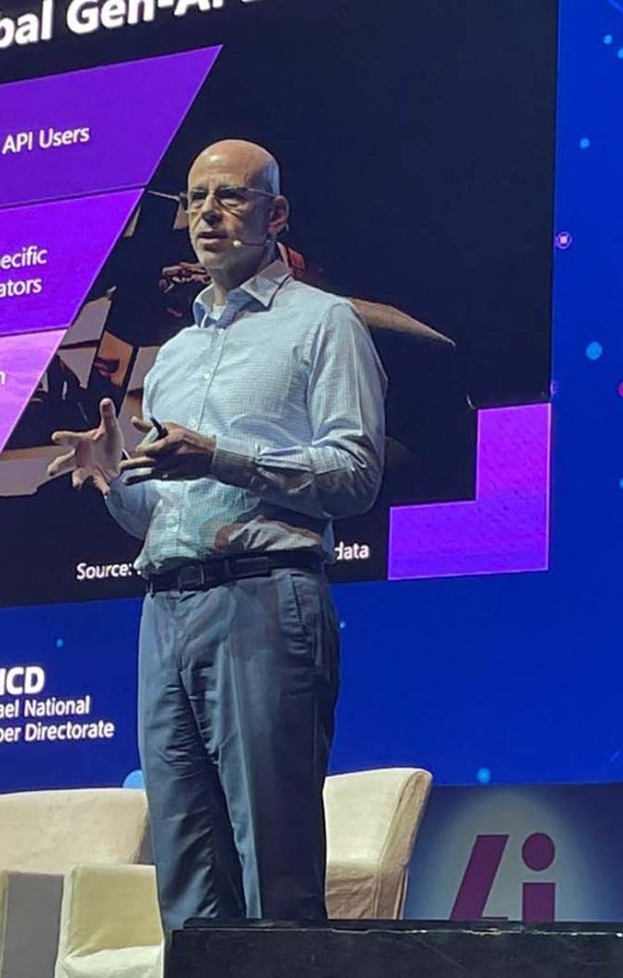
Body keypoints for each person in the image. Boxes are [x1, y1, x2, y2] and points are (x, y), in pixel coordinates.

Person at [49, 140, 387, 930]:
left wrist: (221, 456)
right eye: (195, 198)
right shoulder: (175, 355)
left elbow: (355, 476)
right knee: (187, 879)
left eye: (230, 196)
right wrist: (114, 479)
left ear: (276, 214)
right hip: (166, 609)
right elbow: (163, 513)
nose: (207, 213)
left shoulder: (323, 323)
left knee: (276, 872)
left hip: (265, 599)